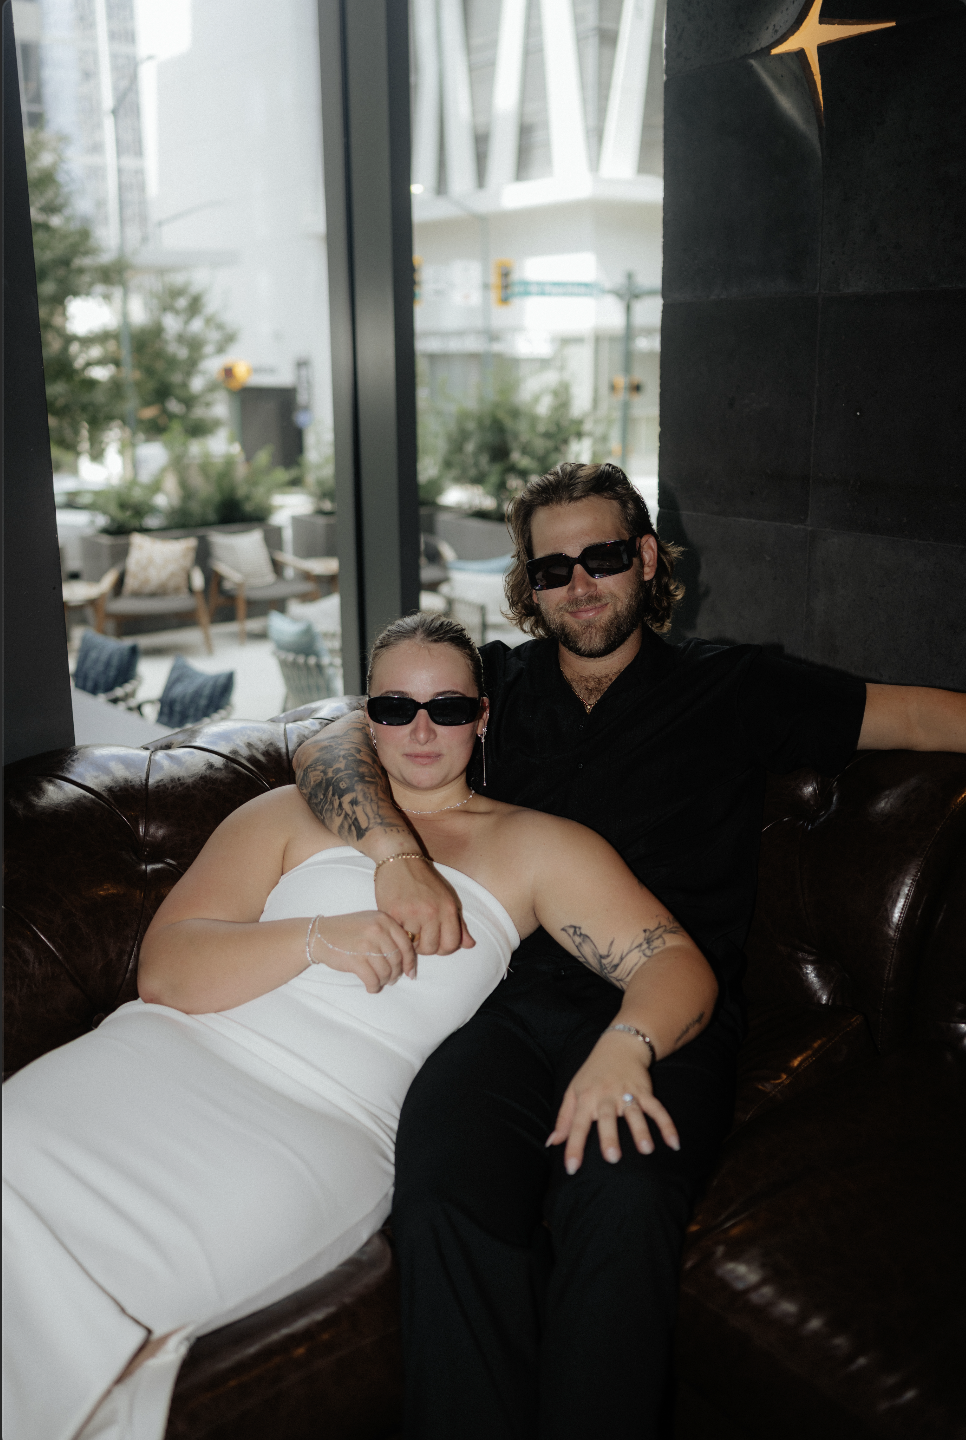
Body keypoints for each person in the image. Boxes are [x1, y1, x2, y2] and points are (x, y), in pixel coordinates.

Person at [293, 461, 966, 1440]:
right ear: (529, 582)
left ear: (646, 559)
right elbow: (327, 743)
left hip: (667, 1008)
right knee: (444, 1192)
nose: (581, 584)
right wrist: (395, 852)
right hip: (508, 1012)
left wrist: (630, 1045)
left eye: (603, 557)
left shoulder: (734, 686)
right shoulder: (496, 691)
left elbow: (913, 714)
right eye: (554, 566)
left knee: (622, 1192)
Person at [2, 612, 717, 1440]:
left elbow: (674, 963)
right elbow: (166, 971)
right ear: (363, 715)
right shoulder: (284, 814)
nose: (420, 730)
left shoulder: (535, 848)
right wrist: (316, 939)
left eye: (448, 709)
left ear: (482, 718)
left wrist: (624, 1050)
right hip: (153, 1061)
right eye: (394, 707)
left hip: (314, 1131)